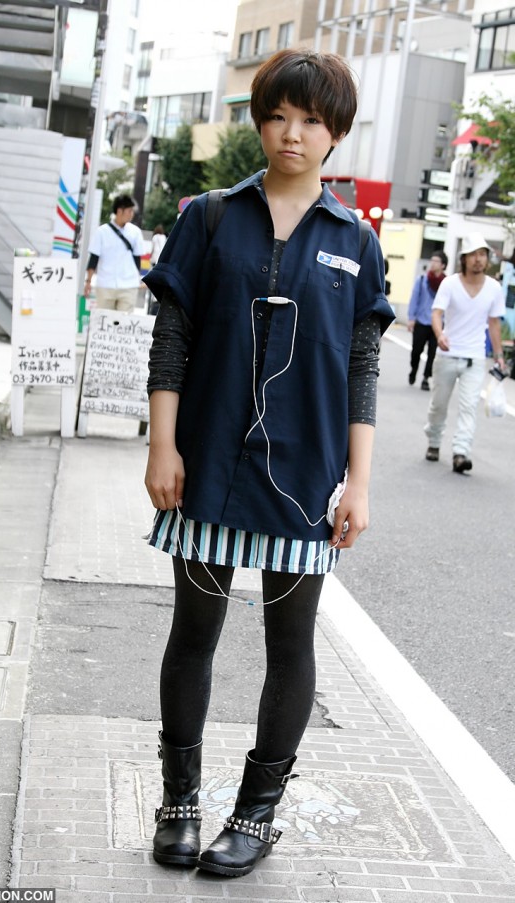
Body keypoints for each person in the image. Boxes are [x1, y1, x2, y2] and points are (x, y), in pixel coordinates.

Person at [143, 48, 394, 878]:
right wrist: (162, 444)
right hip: (207, 463)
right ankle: (179, 804)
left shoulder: (355, 240)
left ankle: (255, 816)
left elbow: (361, 365)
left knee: (291, 645)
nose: (293, 133)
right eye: (279, 116)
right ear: (259, 121)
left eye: (313, 121)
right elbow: (172, 339)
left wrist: (359, 480)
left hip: (304, 479)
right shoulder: (210, 216)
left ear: (337, 134)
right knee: (195, 632)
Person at [424, 233, 506, 473]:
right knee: (439, 405)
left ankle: (461, 452)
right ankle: (434, 441)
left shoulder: (494, 288)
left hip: (475, 357)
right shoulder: (450, 284)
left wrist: (499, 356)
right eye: (473, 255)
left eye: (482, 255)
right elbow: (436, 313)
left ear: (487, 259)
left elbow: (494, 324)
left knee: (469, 406)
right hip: (448, 354)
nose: (478, 260)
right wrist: (440, 335)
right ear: (464, 259)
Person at [84, 194, 144, 311]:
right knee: (104, 324)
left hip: (128, 285)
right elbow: (94, 258)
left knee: (124, 325)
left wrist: (137, 279)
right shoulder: (102, 232)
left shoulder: (135, 232)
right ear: (119, 210)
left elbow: (137, 259)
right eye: (129, 211)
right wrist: (88, 281)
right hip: (106, 284)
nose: (132, 214)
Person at [407, 251, 448, 390]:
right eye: (432, 260)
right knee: (416, 351)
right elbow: (414, 299)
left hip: (437, 325)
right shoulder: (422, 279)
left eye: (436, 261)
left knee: (432, 353)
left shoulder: (446, 283)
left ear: (443, 265)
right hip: (421, 321)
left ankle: (426, 377)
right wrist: (411, 318)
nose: (433, 263)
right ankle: (413, 370)